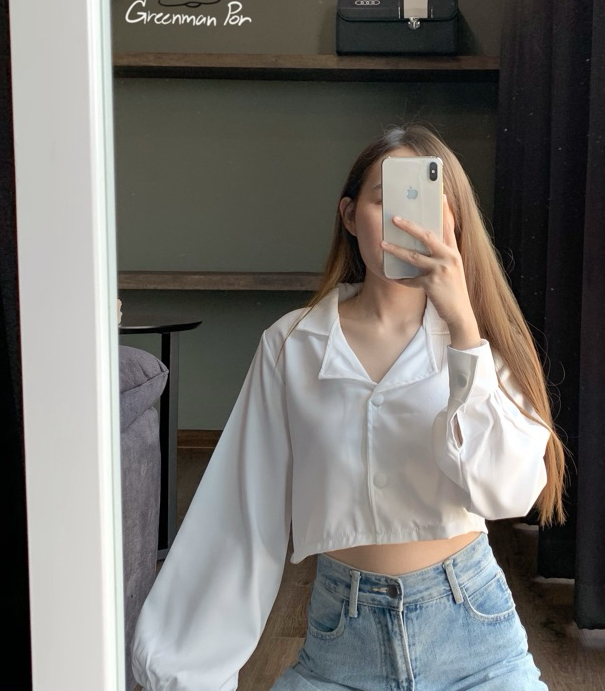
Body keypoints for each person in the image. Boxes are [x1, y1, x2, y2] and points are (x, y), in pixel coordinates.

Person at [132, 124, 567, 691]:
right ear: (349, 215)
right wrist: (181, 672)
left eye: (425, 203)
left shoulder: (481, 345)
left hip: (476, 644)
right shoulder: (292, 345)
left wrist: (463, 329)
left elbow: (508, 493)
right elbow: (242, 516)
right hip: (341, 649)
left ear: (453, 222)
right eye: (385, 201)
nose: (405, 221)